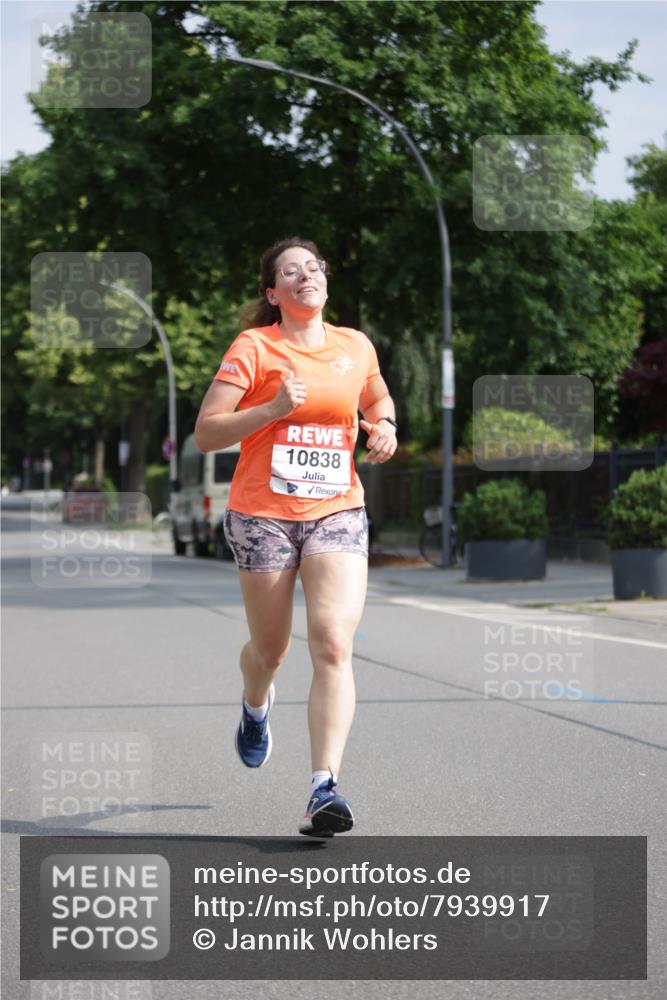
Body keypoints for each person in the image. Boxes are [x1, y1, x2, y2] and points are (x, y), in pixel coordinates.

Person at [194, 236, 397, 837]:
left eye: (313, 267)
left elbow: (377, 396)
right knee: (272, 650)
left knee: (333, 641)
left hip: (337, 507)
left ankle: (323, 787)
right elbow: (207, 433)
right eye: (291, 271)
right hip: (262, 513)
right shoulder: (254, 347)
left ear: (325, 281)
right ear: (272, 292)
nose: (305, 276)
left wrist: (383, 425)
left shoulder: (354, 346)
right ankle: (256, 704)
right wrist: (273, 408)